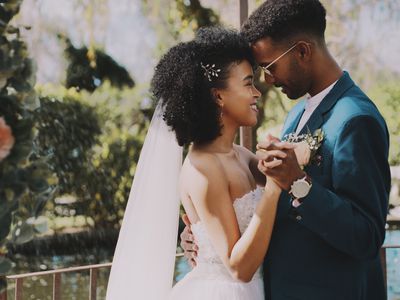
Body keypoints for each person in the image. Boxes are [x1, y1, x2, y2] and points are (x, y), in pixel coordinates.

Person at [181, 1, 391, 299]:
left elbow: (367, 236)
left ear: (303, 51)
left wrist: (299, 184)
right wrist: (206, 240)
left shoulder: (356, 119)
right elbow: (273, 207)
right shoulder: (296, 115)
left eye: (269, 66)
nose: (267, 80)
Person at [106, 26, 303, 300]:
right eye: (248, 83)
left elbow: (291, 184)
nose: (257, 93)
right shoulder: (202, 169)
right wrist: (271, 189)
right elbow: (238, 268)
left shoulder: (241, 156)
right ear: (218, 96)